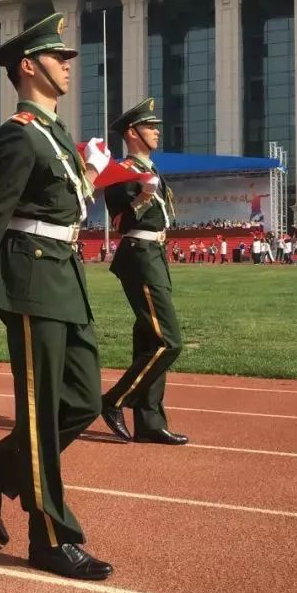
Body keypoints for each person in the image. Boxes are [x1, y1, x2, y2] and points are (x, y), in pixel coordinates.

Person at [0, 13, 113, 580]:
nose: (68, 67)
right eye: (60, 58)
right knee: (40, 412)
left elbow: (61, 202)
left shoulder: (54, 134)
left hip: (64, 276)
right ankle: (51, 538)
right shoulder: (18, 133)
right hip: (31, 279)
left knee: (83, 401)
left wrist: (91, 171)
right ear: (29, 66)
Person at [99, 97, 188, 447]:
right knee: (169, 341)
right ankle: (114, 400)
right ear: (132, 133)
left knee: (151, 340)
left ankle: (149, 421)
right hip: (139, 252)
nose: (156, 131)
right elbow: (120, 222)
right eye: (151, 127)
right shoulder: (123, 173)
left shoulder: (152, 170)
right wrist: (142, 198)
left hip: (155, 253)